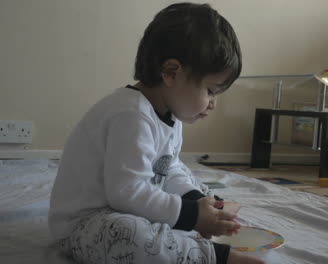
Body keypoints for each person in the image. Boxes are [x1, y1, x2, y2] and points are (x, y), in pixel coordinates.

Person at [48, 3, 264, 264]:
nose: (213, 103)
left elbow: (167, 168)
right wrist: (191, 215)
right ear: (171, 73)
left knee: (197, 188)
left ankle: (193, 228)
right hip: (85, 225)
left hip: (124, 209)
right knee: (133, 236)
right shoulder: (130, 114)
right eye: (210, 90)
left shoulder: (169, 115)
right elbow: (127, 192)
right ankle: (214, 257)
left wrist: (198, 202)